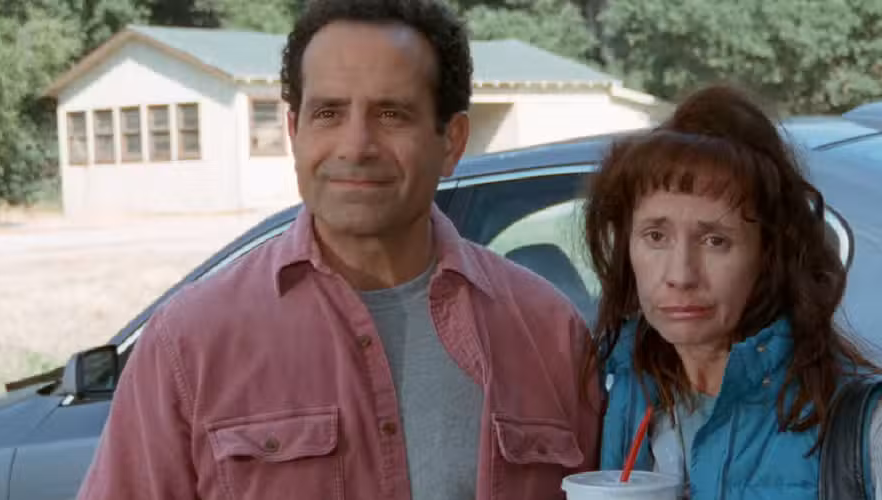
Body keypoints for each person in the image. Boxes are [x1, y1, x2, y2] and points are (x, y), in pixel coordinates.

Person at [76, 1, 600, 499]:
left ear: (452, 142)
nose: (356, 146)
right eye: (328, 113)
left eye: (391, 114)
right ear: (294, 132)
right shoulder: (188, 342)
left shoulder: (549, 334)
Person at [583, 85, 882, 499]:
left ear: (769, 255)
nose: (681, 275)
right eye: (656, 236)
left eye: (715, 241)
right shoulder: (624, 396)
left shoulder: (879, 429)